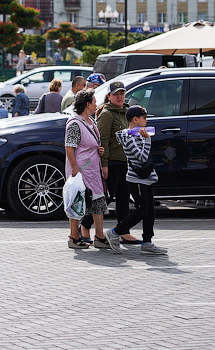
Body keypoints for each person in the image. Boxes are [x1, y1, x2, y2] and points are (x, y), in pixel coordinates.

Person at [82, 80, 140, 245]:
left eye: (122, 93)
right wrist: (104, 164)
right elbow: (102, 141)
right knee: (106, 197)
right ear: (109, 96)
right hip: (113, 162)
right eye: (116, 94)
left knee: (123, 197)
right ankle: (85, 225)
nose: (120, 97)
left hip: (125, 161)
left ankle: (123, 231)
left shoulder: (127, 111)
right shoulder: (107, 114)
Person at [106, 105, 167, 255]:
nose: (146, 121)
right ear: (135, 119)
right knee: (142, 210)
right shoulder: (128, 137)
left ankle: (147, 242)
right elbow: (142, 157)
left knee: (150, 211)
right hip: (136, 179)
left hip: (147, 178)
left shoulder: (139, 134)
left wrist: (144, 138)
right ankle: (114, 233)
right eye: (144, 118)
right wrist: (147, 141)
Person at [64, 90, 107, 249]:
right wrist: (75, 170)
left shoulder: (91, 121)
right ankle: (74, 237)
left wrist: (99, 150)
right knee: (77, 201)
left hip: (93, 170)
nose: (96, 104)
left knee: (98, 201)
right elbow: (69, 148)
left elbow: (92, 143)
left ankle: (99, 236)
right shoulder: (75, 123)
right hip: (81, 171)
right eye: (94, 101)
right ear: (87, 104)